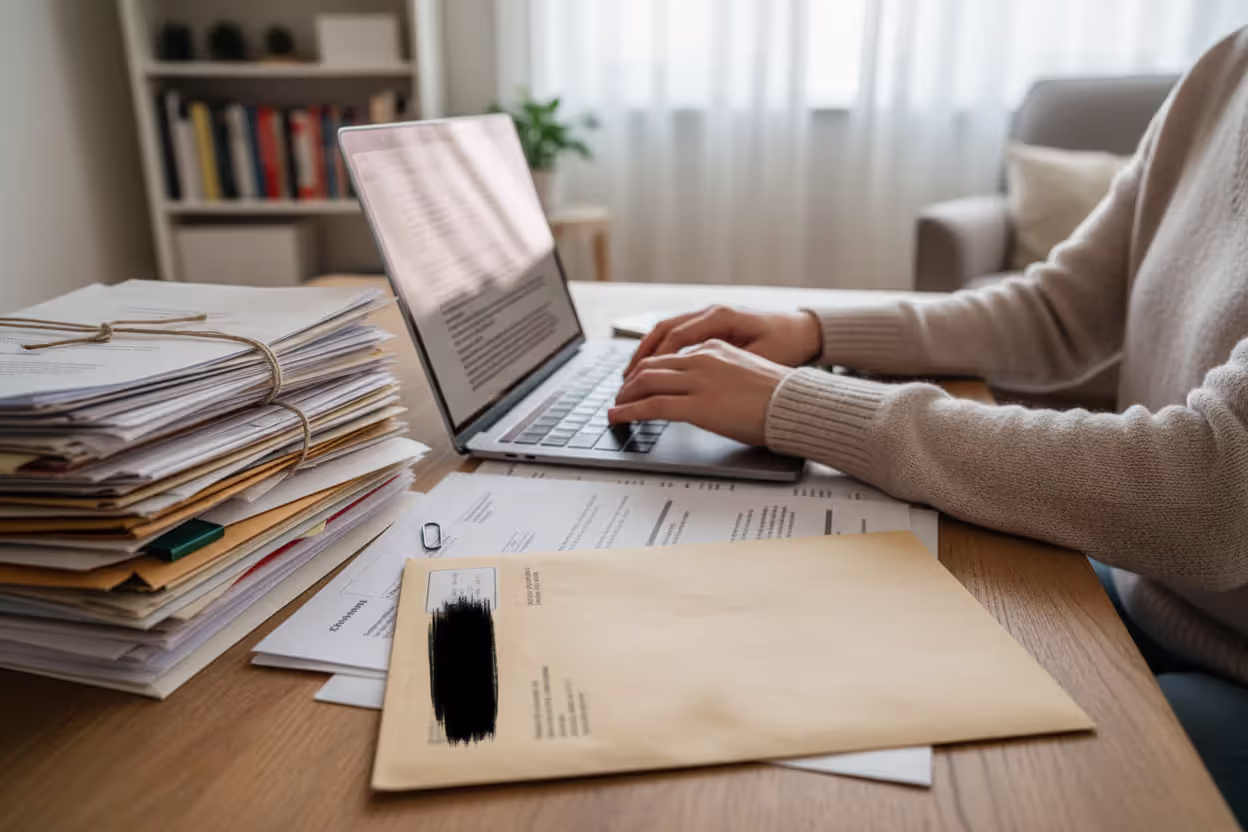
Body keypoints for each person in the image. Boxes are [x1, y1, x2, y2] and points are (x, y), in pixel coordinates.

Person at [611, 26, 1248, 822]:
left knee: (980, 789)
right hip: (1145, 586)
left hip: (1229, 667)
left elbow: (1210, 495)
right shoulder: (1225, 70)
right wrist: (816, 330)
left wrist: (796, 406)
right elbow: (1055, 313)